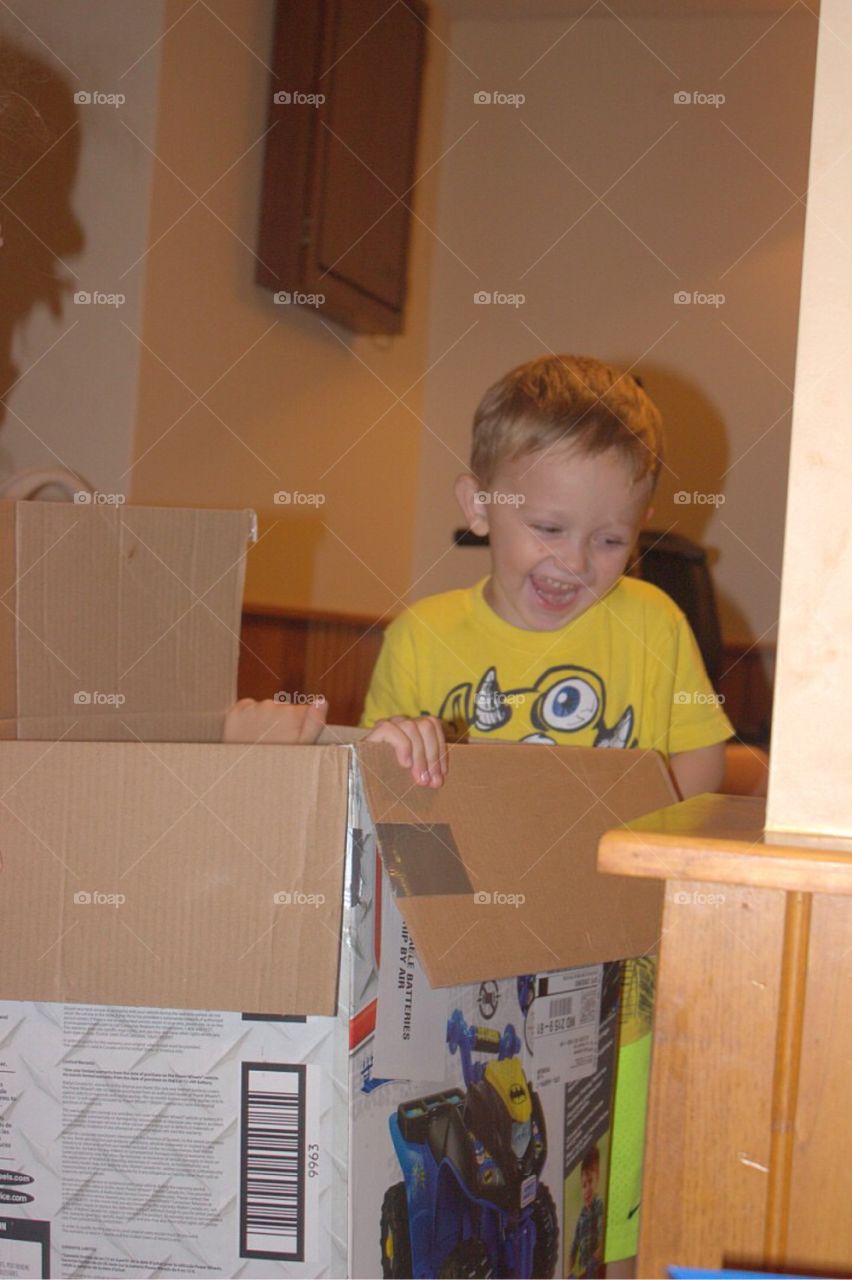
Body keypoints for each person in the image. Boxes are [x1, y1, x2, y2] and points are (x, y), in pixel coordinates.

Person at [360, 353, 734, 794]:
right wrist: (394, 747)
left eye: (610, 540)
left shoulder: (655, 623)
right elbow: (373, 777)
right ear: (478, 506)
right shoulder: (419, 638)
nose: (574, 563)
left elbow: (700, 753)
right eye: (549, 529)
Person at [569, 1145, 605, 1278]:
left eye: (590, 1181)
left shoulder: (599, 1205)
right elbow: (573, 1248)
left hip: (597, 1266)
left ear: (597, 1179)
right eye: (584, 1185)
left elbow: (603, 1238)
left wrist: (595, 1260)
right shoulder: (582, 1216)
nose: (587, 1189)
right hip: (585, 1270)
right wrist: (569, 1272)